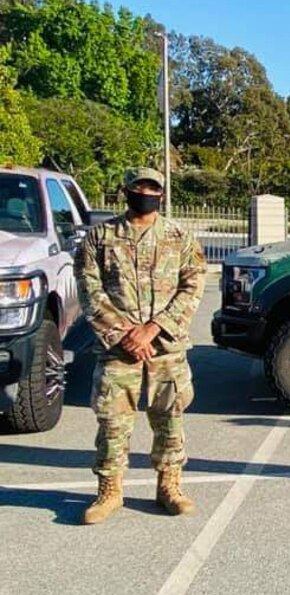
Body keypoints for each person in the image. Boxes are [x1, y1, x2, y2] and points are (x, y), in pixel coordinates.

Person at [76, 167, 207, 524]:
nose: (146, 193)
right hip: (119, 349)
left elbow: (193, 286)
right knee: (113, 422)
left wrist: (153, 329)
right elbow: (89, 290)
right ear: (126, 191)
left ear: (161, 195)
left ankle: (170, 486)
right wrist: (123, 333)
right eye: (139, 187)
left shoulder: (179, 237)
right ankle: (109, 491)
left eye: (153, 189)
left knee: (170, 418)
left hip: (165, 346)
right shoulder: (99, 238)